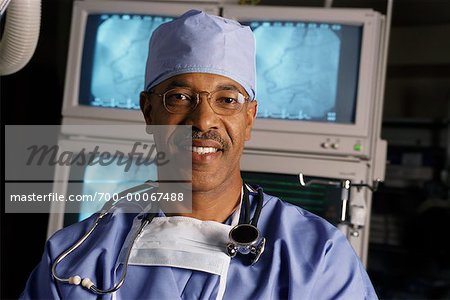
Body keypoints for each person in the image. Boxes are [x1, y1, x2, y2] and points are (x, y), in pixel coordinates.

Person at [20, 10, 378, 300]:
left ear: (249, 118)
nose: (204, 119)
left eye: (227, 100)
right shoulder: (73, 258)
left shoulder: (317, 258)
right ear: (148, 111)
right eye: (179, 98)